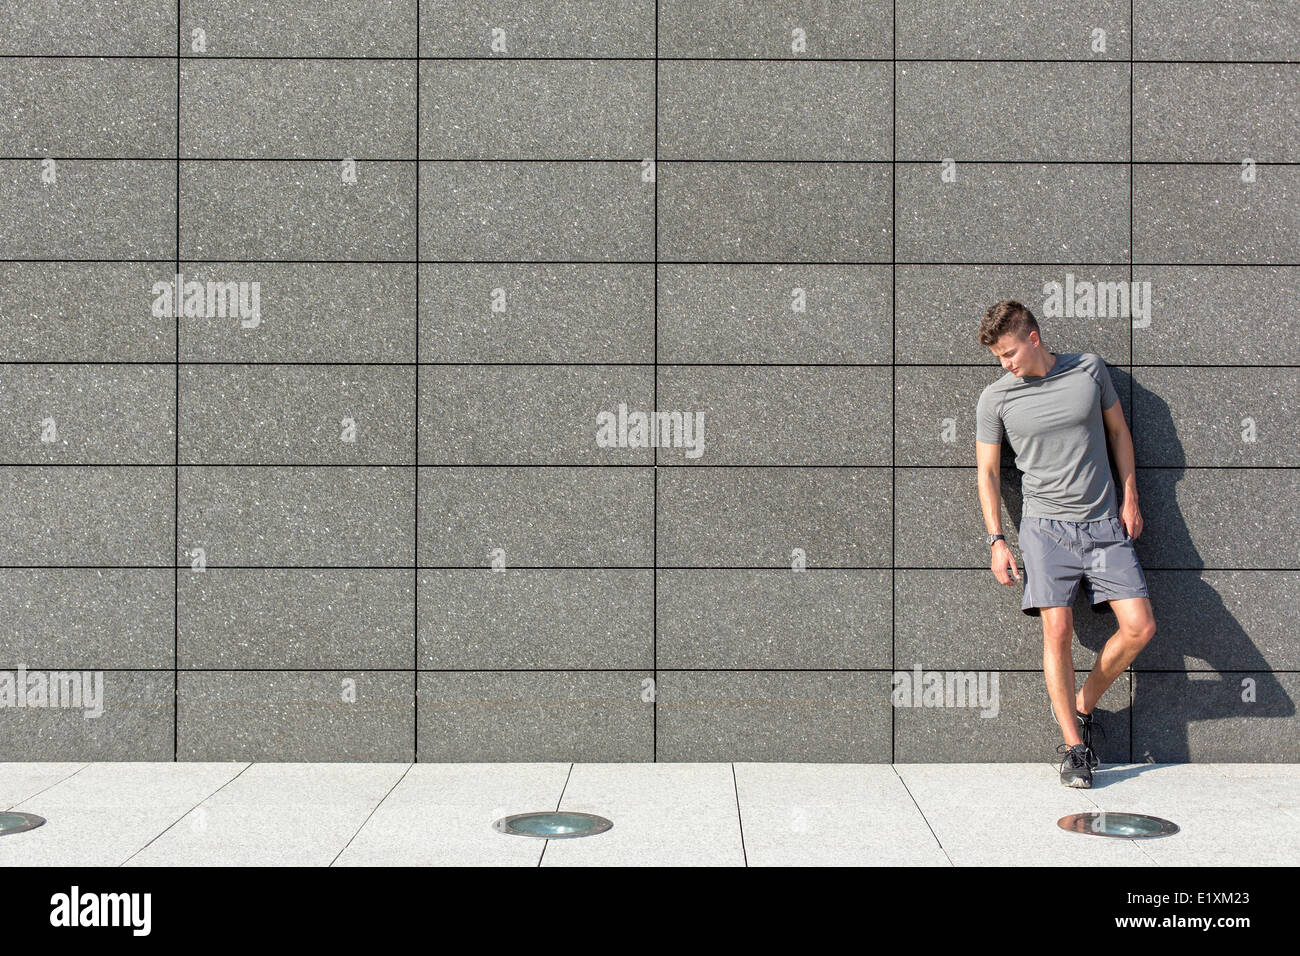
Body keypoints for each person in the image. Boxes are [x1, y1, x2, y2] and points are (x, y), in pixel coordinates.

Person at [974, 300, 1157, 788]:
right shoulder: (996, 398)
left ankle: (1084, 702)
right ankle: (1075, 748)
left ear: (1034, 337)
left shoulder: (1089, 370)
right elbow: (988, 474)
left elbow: (1119, 432)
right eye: (998, 357)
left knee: (1140, 627)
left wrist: (1131, 496)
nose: (1005, 363)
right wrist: (996, 538)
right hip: (1044, 528)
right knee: (1056, 629)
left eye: (1010, 352)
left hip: (1102, 522)